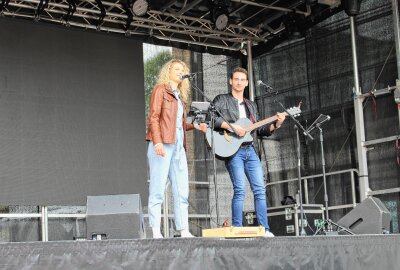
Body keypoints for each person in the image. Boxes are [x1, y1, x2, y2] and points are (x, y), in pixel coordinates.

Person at [212, 67, 286, 237]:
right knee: (240, 190)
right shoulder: (221, 100)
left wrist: (276, 124)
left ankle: (264, 229)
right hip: (233, 151)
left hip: (250, 150)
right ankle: (237, 229)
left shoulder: (251, 105)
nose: (239, 82)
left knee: (260, 190)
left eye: (242, 80)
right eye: (236, 79)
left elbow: (259, 130)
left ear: (246, 83)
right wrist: (232, 127)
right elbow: (211, 118)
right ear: (231, 81)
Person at [146, 59, 207, 239]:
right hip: (163, 143)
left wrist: (195, 126)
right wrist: (157, 142)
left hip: (178, 145)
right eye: (177, 69)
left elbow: (178, 125)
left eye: (183, 69)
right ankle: (155, 230)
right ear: (169, 71)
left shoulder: (179, 95)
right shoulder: (161, 90)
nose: (181, 71)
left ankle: (183, 230)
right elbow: (154, 117)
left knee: (182, 190)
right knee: (157, 189)